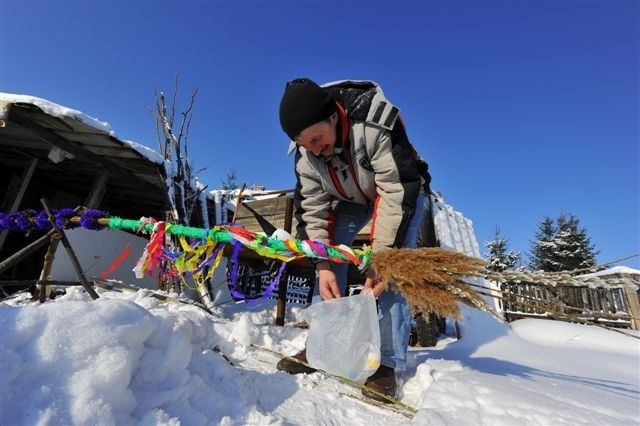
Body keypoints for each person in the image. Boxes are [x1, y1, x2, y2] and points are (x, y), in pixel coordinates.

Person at [276, 78, 432, 402]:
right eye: (307, 145)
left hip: (401, 191)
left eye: (317, 139)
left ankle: (386, 364)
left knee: (395, 267)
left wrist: (382, 260)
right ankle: (322, 344)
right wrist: (322, 266)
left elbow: (395, 192)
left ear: (334, 116)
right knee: (330, 255)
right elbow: (313, 213)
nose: (315, 150)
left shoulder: (376, 123)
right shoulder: (306, 156)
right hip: (352, 197)